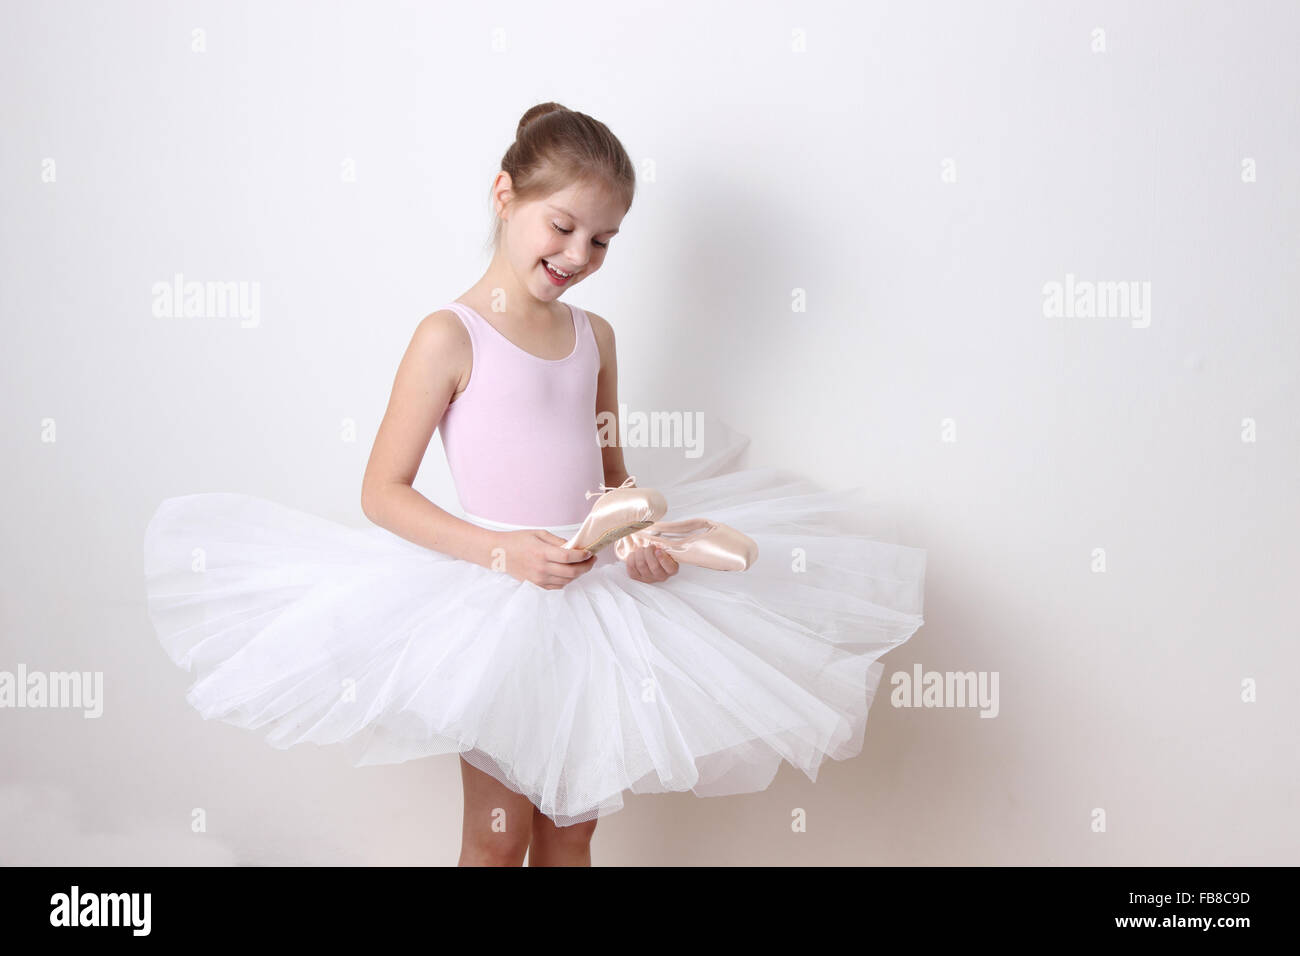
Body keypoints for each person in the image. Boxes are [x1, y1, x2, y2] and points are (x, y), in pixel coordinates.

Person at [143, 102, 927, 867]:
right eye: (563, 226)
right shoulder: (450, 335)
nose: (580, 253)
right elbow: (383, 491)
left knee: (572, 835)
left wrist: (642, 542)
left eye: (603, 239)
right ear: (504, 196)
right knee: (495, 839)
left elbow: (612, 479)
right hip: (494, 609)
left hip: (594, 605)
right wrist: (500, 553)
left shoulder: (596, 338)